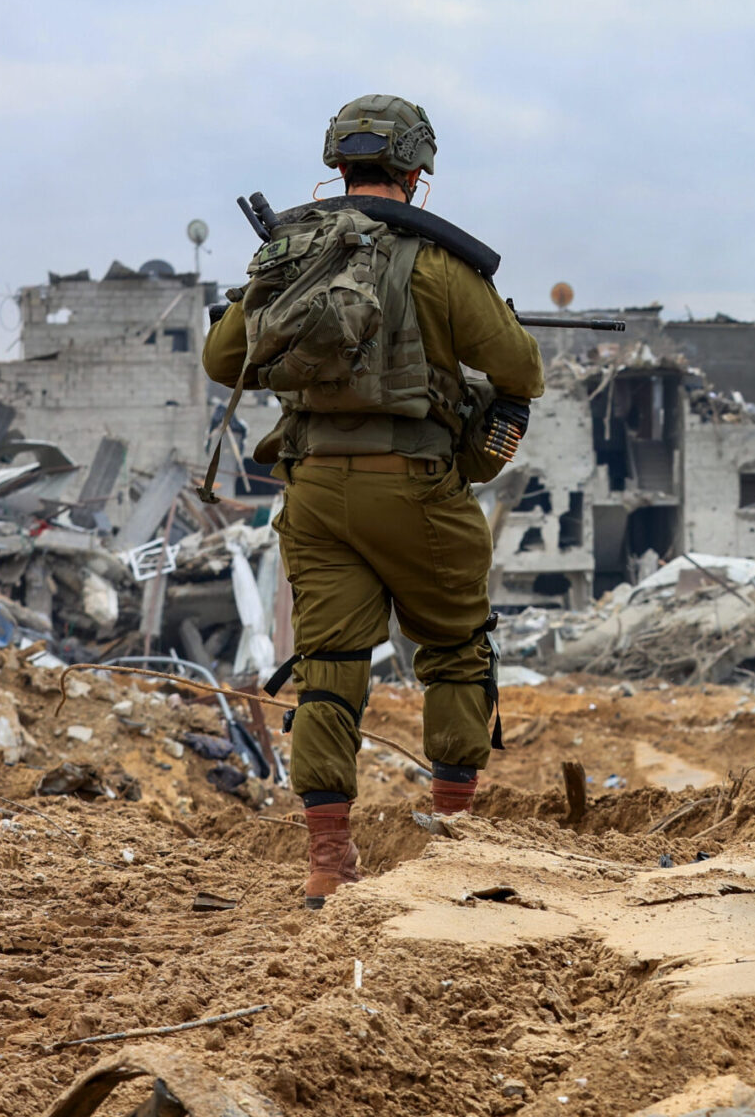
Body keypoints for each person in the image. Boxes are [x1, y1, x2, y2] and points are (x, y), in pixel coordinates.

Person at [204, 94, 545, 908]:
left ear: (339, 165)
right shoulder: (439, 265)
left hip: (315, 490)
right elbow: (520, 373)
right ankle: (454, 842)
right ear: (416, 171)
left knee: (329, 670)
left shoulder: (289, 257)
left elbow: (225, 362)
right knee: (458, 649)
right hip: (418, 487)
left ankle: (328, 860)